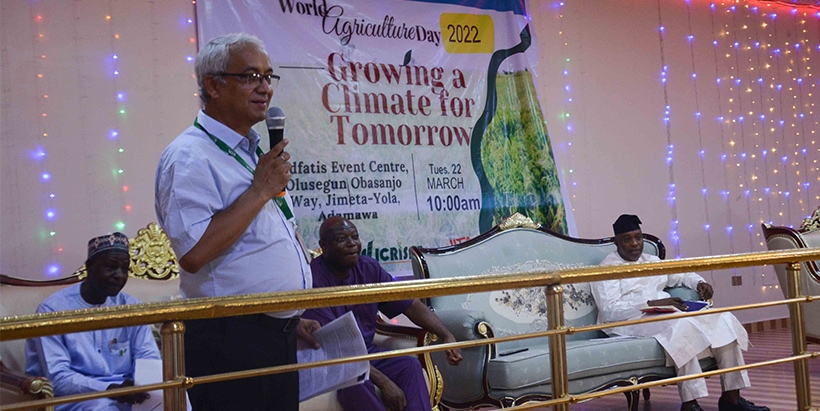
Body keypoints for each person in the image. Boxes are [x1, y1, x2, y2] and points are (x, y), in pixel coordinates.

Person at [154, 32, 320, 411]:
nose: (265, 89)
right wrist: (260, 190)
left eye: (268, 77)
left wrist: (289, 319)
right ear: (213, 85)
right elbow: (194, 253)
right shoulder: (189, 157)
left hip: (274, 337)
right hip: (228, 339)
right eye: (250, 76)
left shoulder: (254, 152)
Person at [591, 214, 770, 411]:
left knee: (722, 317)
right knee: (681, 324)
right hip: (630, 321)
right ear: (616, 242)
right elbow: (610, 311)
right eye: (627, 239)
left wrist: (699, 283)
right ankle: (690, 403)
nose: (635, 244)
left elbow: (682, 274)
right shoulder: (606, 270)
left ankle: (732, 398)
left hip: (663, 313)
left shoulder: (651, 260)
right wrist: (652, 303)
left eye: (638, 237)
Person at [303, 217, 462, 411]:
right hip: (331, 360)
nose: (352, 243)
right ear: (324, 246)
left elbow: (409, 304)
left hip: (366, 353)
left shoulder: (368, 268)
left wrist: (446, 335)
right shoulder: (313, 279)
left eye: (355, 237)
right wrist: (385, 383)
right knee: (356, 383)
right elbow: (334, 348)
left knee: (409, 366)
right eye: (342, 239)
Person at [25, 232, 160, 411]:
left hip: (128, 393)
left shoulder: (133, 307)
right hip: (74, 397)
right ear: (90, 267)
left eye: (124, 268)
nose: (119, 275)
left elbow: (148, 358)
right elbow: (58, 378)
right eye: (111, 267)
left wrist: (142, 387)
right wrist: (109, 389)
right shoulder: (53, 310)